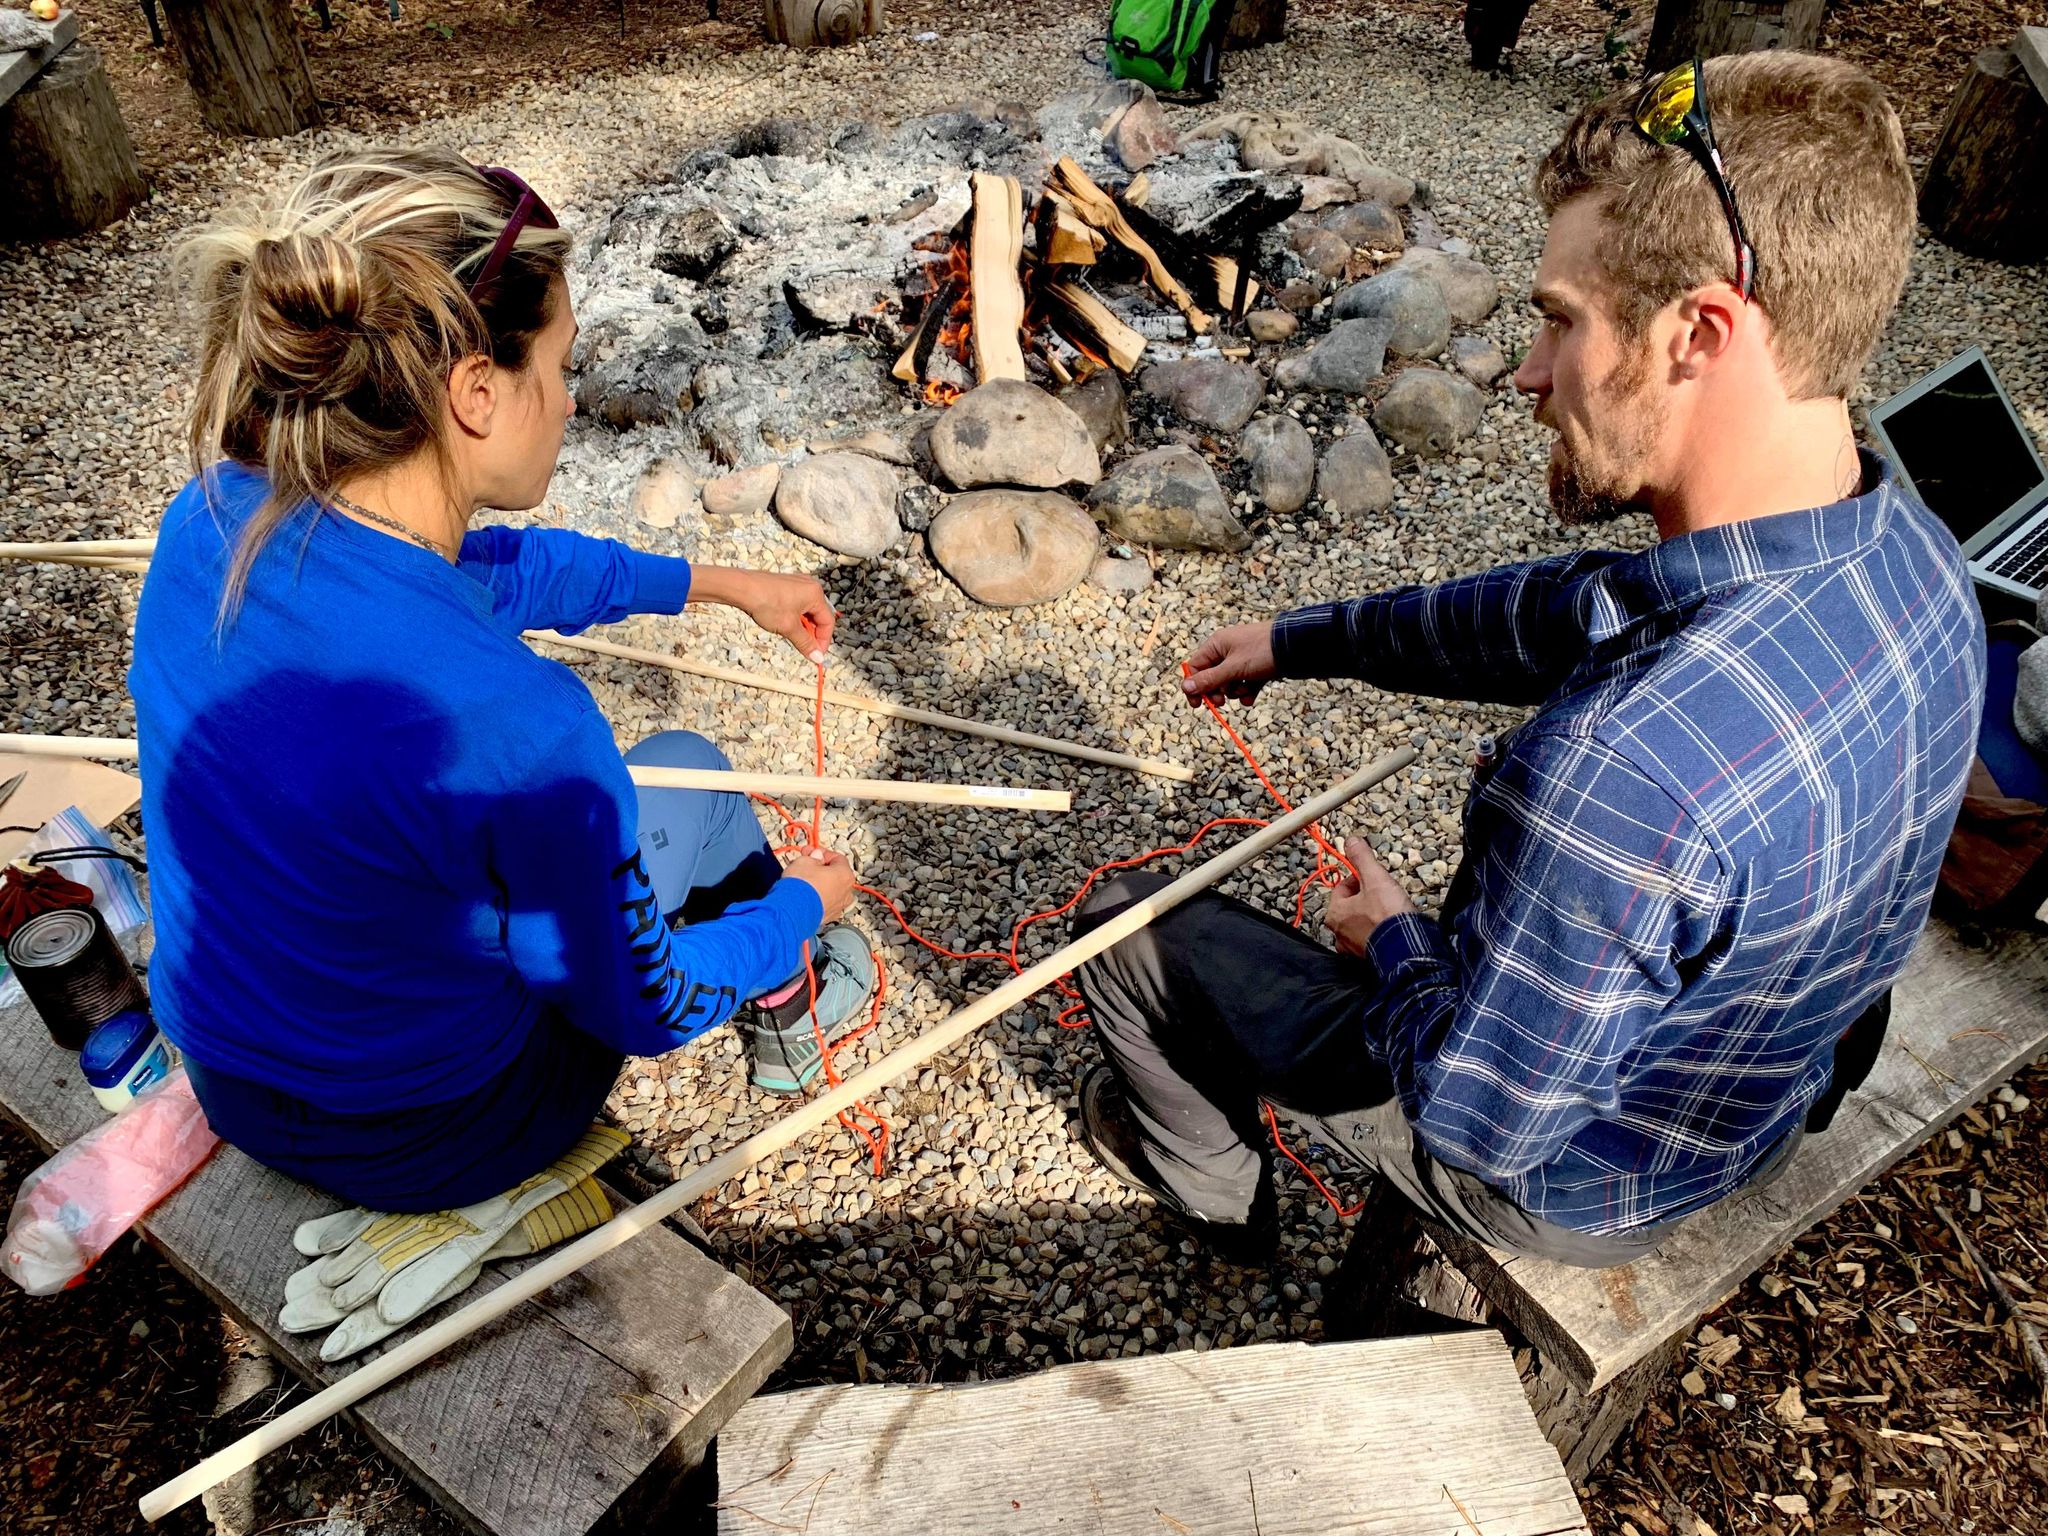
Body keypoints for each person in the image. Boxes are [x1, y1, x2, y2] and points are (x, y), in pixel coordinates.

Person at [1070, 52, 1987, 1269]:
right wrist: (1300, 641)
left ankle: (1214, 1196)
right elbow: (1556, 611)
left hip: (1582, 1182)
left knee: (1117, 932)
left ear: (1698, 332)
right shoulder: (1911, 552)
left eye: (1560, 320)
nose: (1526, 373)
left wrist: (1391, 940)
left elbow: (1478, 1119)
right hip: (1755, 1081)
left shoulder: (1620, 779)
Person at [130, 149, 876, 1219]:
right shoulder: (520, 729)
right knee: (686, 773)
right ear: (476, 392)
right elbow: (645, 1008)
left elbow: (497, 573)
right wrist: (804, 904)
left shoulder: (210, 520)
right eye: (561, 366)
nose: (570, 402)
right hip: (437, 1133)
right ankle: (788, 1017)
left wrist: (719, 584)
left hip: (233, 1073)